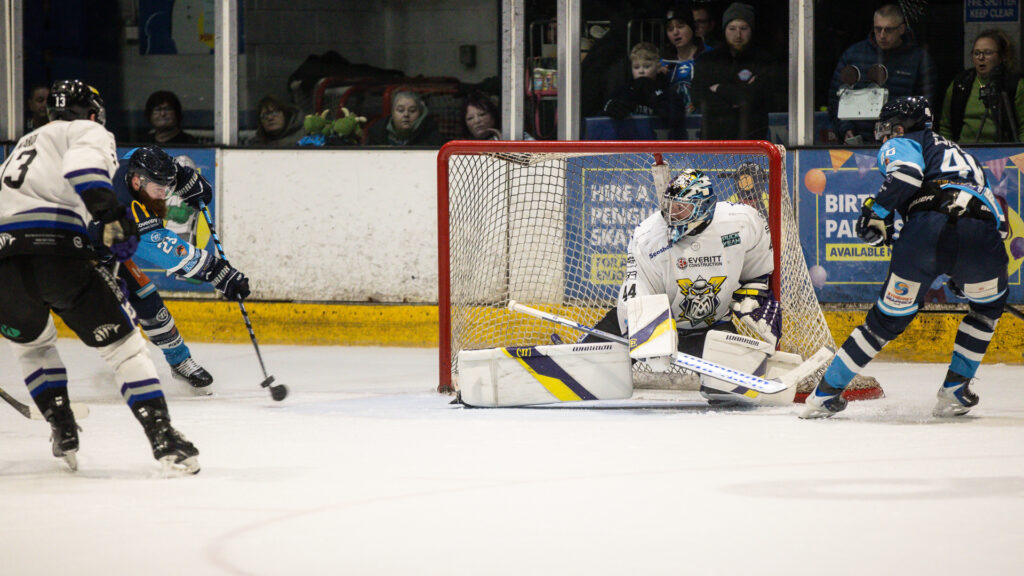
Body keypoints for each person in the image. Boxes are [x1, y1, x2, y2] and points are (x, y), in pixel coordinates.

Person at [0, 79, 200, 473]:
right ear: (92, 112)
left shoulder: (17, 151)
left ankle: (62, 428)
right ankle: (163, 438)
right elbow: (83, 169)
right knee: (125, 348)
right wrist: (110, 215)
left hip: (3, 265)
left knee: (33, 347)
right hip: (56, 253)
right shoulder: (85, 129)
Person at [802, 96, 1007, 419]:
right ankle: (955, 389)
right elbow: (1002, 225)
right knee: (986, 309)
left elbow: (907, 176)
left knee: (886, 320)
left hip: (925, 232)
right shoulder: (966, 157)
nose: (884, 135)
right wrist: (961, 269)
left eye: (887, 127)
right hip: (982, 236)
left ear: (901, 126)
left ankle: (824, 395)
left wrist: (876, 212)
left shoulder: (905, 141)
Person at [585, 168, 781, 402]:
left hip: (712, 329)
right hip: (658, 322)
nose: (671, 215)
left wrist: (753, 298)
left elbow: (757, 269)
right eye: (669, 206)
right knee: (588, 373)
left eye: (681, 208)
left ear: (703, 206)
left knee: (732, 394)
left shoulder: (741, 221)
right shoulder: (648, 237)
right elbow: (636, 293)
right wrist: (648, 335)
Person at [93, 146, 250, 392]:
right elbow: (175, 256)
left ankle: (180, 362)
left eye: (167, 186)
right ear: (137, 182)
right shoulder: (130, 212)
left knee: (151, 303)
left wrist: (184, 178)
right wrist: (221, 274)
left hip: (110, 245)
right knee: (122, 312)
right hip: (83, 256)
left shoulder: (132, 163)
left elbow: (147, 155)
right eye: (159, 187)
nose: (165, 193)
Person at [827, 4, 936, 145]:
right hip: (859, 141)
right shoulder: (853, 56)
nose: (882, 35)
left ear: (901, 29)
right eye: (878, 29)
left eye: (888, 30)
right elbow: (836, 99)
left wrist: (904, 130)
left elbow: (926, 105)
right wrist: (845, 129)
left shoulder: (919, 60)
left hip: (902, 141)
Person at [692, 2, 780, 140]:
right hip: (714, 140)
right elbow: (699, 98)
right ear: (724, 30)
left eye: (744, 28)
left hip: (752, 139)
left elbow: (757, 97)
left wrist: (719, 89)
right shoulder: (708, 60)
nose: (738, 35)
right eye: (732, 28)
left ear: (751, 29)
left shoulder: (764, 61)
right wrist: (738, 98)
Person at [937, 29, 1024, 144]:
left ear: (1002, 56)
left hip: (1003, 154)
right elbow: (945, 127)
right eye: (976, 53)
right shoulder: (960, 83)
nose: (981, 58)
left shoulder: (1014, 85)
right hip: (964, 152)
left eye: (987, 53)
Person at [601, 42, 675, 135]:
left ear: (657, 67)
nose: (641, 71)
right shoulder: (624, 90)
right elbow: (605, 110)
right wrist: (611, 107)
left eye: (646, 66)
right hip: (631, 143)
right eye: (636, 67)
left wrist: (662, 106)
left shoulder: (666, 90)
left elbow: (676, 113)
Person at [661, 2, 708, 114]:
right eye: (670, 29)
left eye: (680, 26)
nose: (675, 32)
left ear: (692, 27)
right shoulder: (661, 63)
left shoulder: (710, 55)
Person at [366, 91, 447, 146]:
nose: (406, 114)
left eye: (412, 110)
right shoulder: (377, 135)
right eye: (400, 110)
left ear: (420, 114)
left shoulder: (433, 138)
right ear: (392, 113)